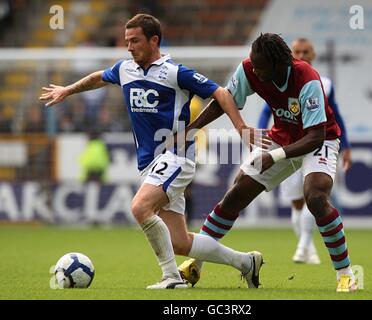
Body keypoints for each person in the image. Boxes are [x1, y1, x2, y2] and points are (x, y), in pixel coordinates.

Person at [39, 14, 266, 289]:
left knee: (140, 207)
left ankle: (171, 277)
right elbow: (99, 77)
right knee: (179, 242)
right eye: (127, 41)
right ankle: (246, 262)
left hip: (177, 157)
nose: (129, 47)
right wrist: (68, 90)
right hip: (151, 163)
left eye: (135, 41)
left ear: (154, 40)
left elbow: (221, 93)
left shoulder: (174, 72)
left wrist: (240, 127)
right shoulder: (125, 69)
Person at [179, 33, 358, 292]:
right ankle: (196, 263)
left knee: (315, 196)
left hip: (319, 140)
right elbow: (224, 101)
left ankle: (346, 273)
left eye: (260, 66)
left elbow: (316, 136)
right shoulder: (250, 69)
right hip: (282, 136)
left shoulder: (307, 79)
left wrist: (273, 156)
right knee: (236, 193)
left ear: (279, 64)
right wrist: (191, 130)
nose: (255, 70)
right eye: (253, 63)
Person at [257, 38, 353, 265]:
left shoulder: (324, 83)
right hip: (289, 146)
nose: (301, 55)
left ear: (313, 55)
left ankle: (302, 246)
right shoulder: (278, 79)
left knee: (314, 196)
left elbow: (335, 116)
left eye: (305, 51)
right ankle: (307, 247)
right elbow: (266, 110)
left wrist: (346, 146)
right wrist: (262, 132)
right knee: (296, 202)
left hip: (314, 145)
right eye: (297, 51)